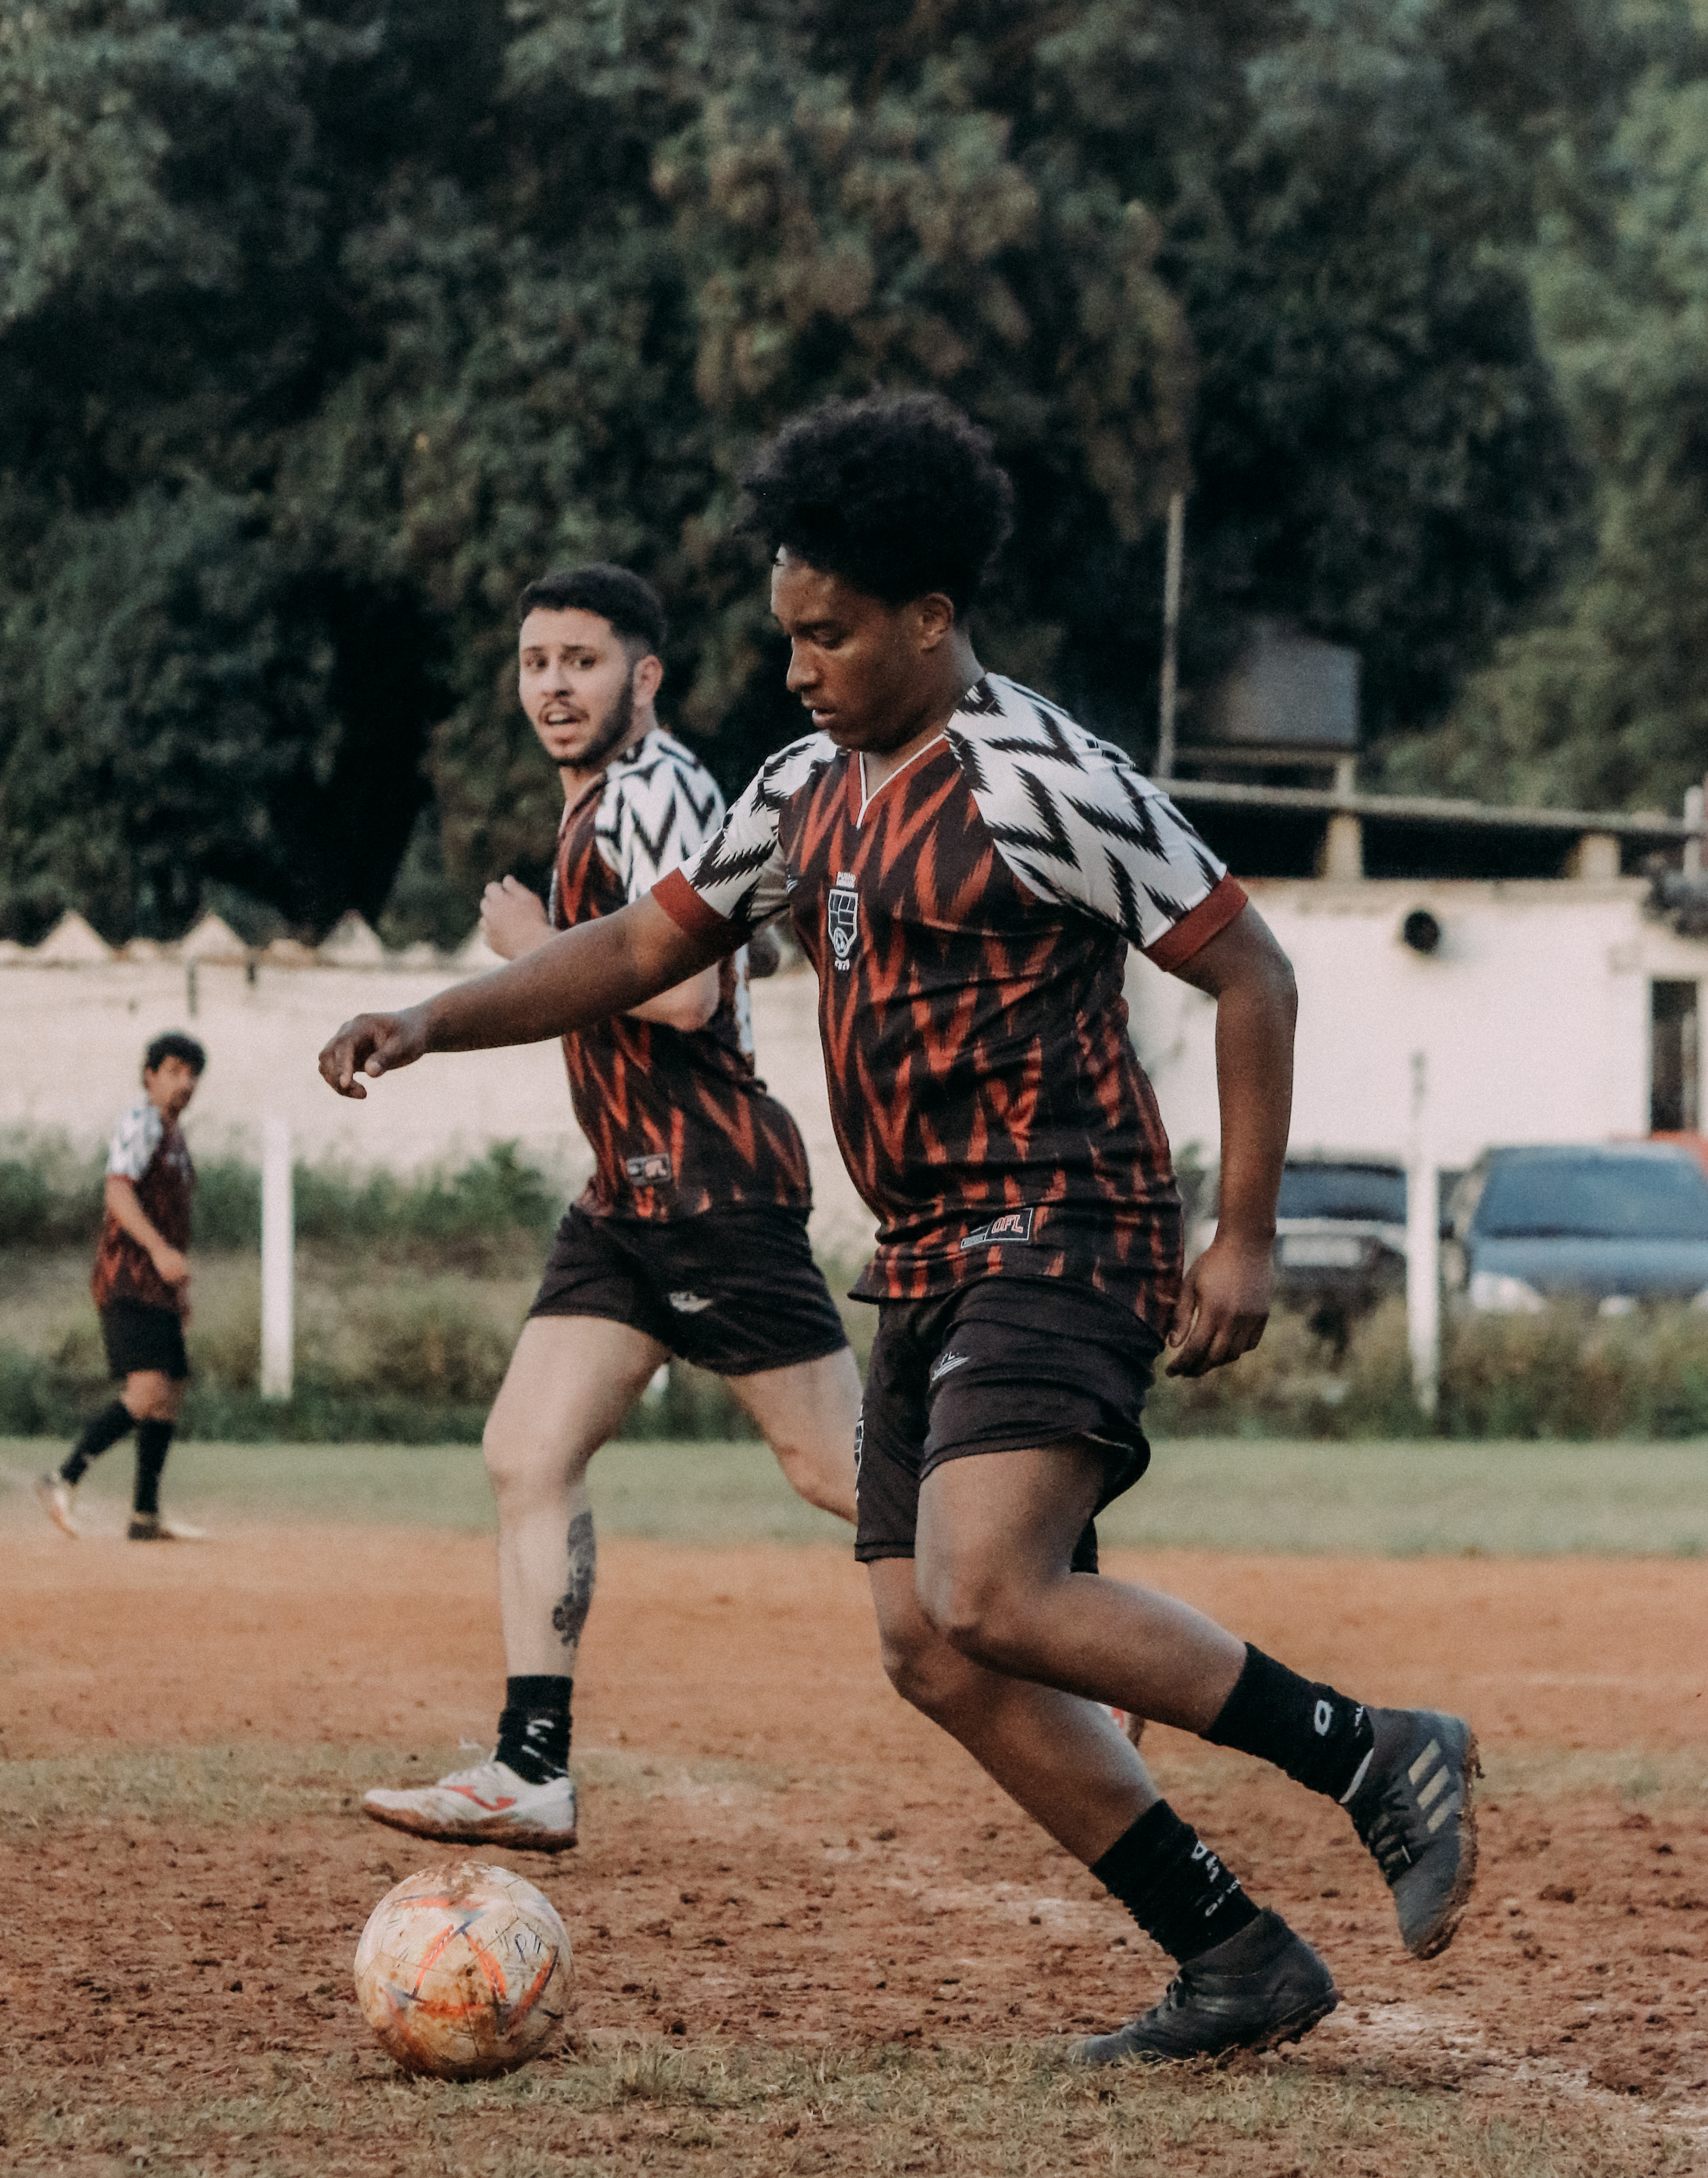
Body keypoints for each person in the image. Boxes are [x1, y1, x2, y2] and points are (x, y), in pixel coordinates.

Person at [320, 401, 1478, 2062]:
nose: (797, 666)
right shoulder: (799, 788)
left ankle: (1371, 1746)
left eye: (832, 633)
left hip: (1065, 1222)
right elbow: (638, 948)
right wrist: (435, 1017)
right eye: (786, 631)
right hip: (923, 1253)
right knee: (926, 1649)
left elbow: (1250, 969)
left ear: (930, 616)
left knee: (987, 1589)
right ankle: (1230, 1954)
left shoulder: (1041, 775)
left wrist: (1240, 1236)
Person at [360, 564, 862, 1855]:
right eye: (536, 663)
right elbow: (743, 943)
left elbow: (690, 991)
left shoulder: (656, 786)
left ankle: (1062, 1600)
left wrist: (538, 942)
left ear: (644, 675)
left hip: (710, 1189)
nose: (553, 686)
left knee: (839, 1469)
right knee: (527, 1448)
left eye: (582, 660)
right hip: (626, 1197)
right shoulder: (620, 803)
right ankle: (533, 1768)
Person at [37, 1032, 206, 1543]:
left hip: (157, 1287)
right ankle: (62, 1479)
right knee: (147, 1389)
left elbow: (171, 1219)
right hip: (127, 1279)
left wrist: (177, 1289)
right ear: (150, 1075)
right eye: (174, 1070)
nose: (186, 1082)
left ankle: (144, 1514)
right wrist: (157, 1252)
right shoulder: (141, 1122)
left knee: (171, 1389)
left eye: (192, 1073)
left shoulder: (173, 1136)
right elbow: (118, 1192)